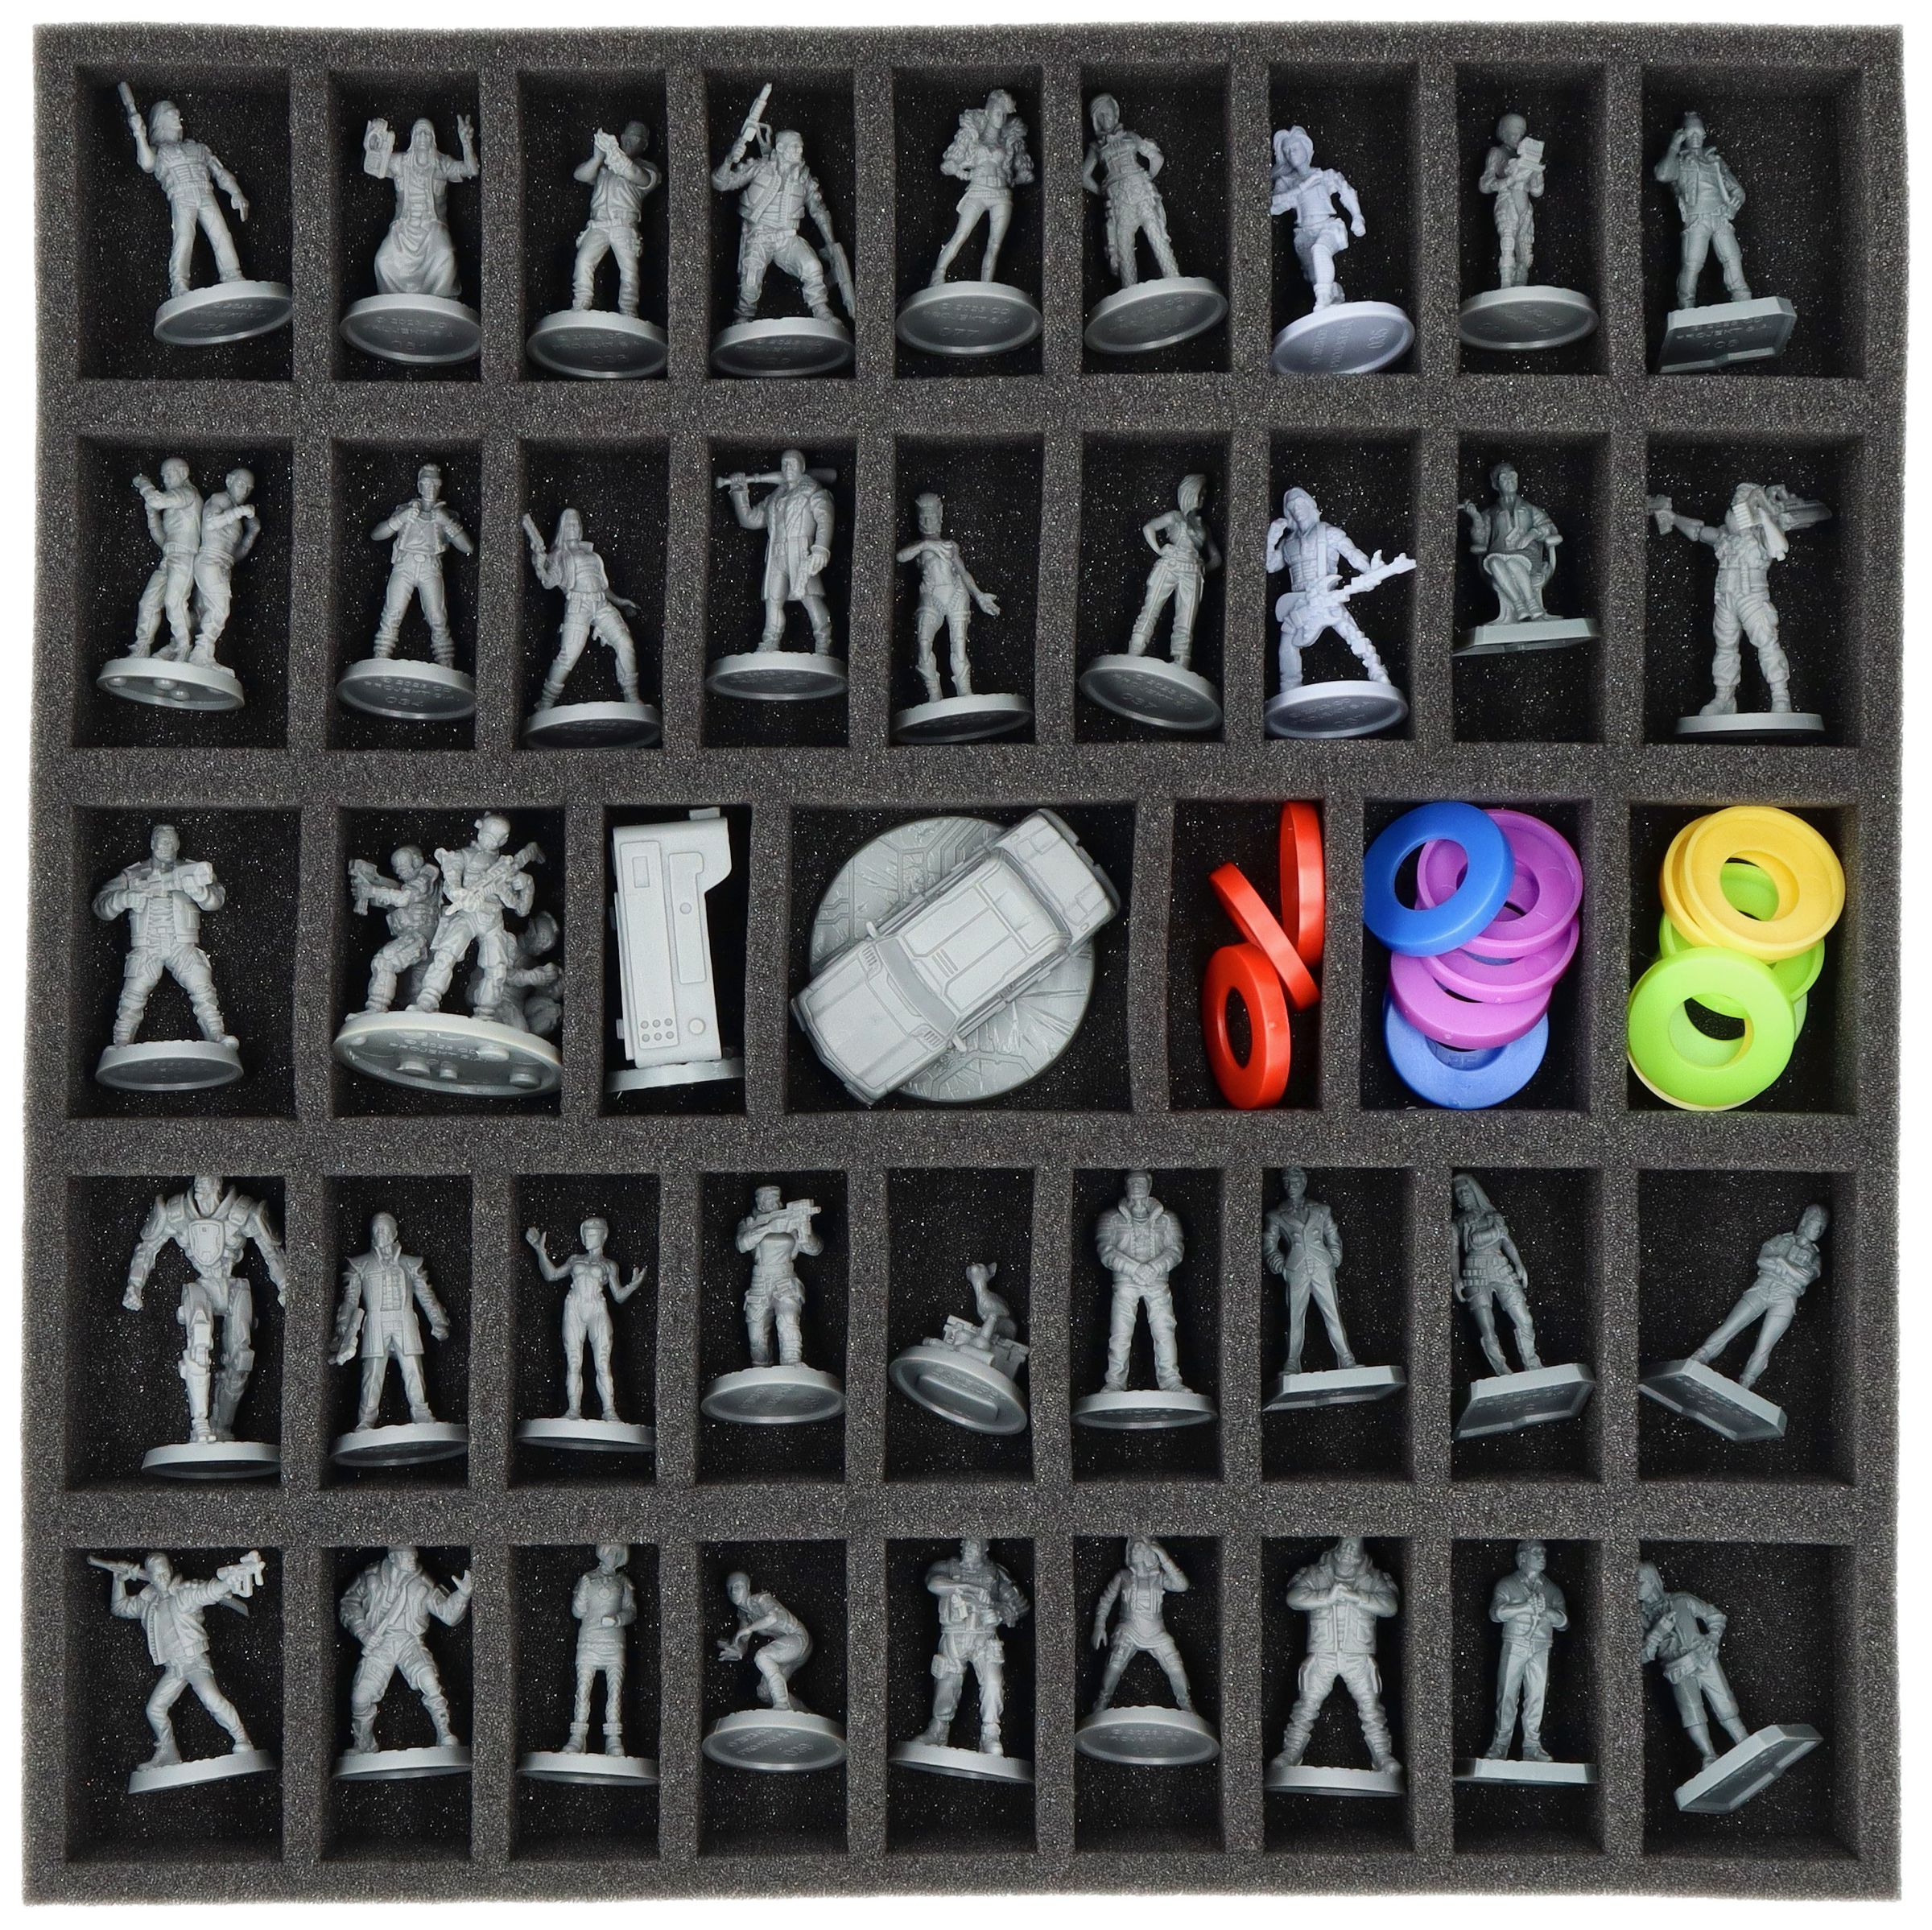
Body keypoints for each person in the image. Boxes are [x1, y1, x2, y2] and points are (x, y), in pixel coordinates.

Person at [123, 1175, 287, 1447]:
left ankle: (222, 1426)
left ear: (218, 1185)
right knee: (198, 1346)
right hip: (201, 1287)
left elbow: (272, 1252)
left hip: (232, 1286)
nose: (202, 1186)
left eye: (208, 1182)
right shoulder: (176, 1211)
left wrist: (284, 1285)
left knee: (241, 1358)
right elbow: (147, 1249)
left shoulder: (243, 1210)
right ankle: (200, 1423)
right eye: (199, 1181)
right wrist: (135, 1285)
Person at [102, 1549, 266, 1769]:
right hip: (173, 1669)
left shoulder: (184, 1594)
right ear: (150, 1576)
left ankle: (242, 1739)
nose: (161, 1579)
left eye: (164, 1573)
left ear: (170, 1571)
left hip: (194, 1662)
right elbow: (119, 1608)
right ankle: (169, 1753)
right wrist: (118, 1580)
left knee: (212, 1699)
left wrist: (228, 1582)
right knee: (155, 1709)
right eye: (156, 1575)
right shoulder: (148, 1603)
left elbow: (208, 1591)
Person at [1275, 1537, 1400, 1771]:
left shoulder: (1373, 1578)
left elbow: (1390, 1606)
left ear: (1361, 1558)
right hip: (1322, 1655)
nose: (1347, 1556)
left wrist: (1357, 1597)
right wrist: (1327, 1597)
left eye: (1353, 1552)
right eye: (1344, 1549)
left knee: (1371, 1708)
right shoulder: (1317, 1574)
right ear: (1335, 1550)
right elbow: (1294, 1598)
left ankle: (1383, 1756)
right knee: (1306, 1706)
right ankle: (1290, 1752)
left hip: (1358, 1657)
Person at [338, 1546, 472, 1753]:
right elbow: (348, 1603)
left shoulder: (422, 1582)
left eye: (414, 1554)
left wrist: (462, 1596)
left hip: (410, 1642)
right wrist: (362, 1631)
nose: (413, 1558)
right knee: (360, 1697)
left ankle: (444, 1732)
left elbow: (447, 1613)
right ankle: (364, 1743)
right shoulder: (370, 1576)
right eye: (407, 1554)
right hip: (379, 1644)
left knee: (429, 1681)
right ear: (393, 1557)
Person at [332, 1212, 451, 1431]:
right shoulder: (360, 1265)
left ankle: (421, 1413)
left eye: (385, 1229)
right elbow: (349, 1300)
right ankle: (366, 1421)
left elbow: (426, 1294)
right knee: (373, 1374)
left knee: (413, 1369)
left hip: (405, 1321)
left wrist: (438, 1321)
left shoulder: (410, 1264)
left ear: (395, 1233)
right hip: (376, 1323)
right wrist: (342, 1328)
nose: (381, 1233)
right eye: (377, 1229)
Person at [526, 1218, 646, 1422]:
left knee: (602, 1362)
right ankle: (573, 1409)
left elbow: (618, 1296)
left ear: (602, 1236)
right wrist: (540, 1251)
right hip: (574, 1307)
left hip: (597, 1308)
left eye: (591, 1234)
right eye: (585, 1234)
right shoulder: (575, 1259)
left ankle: (609, 1410)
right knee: (573, 1361)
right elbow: (551, 1275)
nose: (587, 1238)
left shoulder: (609, 1265)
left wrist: (632, 1286)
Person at [362, 114, 478, 301]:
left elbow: (471, 170)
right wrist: (374, 142)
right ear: (413, 137)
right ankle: (394, 303)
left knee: (445, 257)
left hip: (433, 230)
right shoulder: (400, 162)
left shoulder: (441, 164)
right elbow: (375, 165)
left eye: (426, 133)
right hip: (403, 230)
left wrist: (466, 143)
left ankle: (440, 304)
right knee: (383, 261)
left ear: (432, 138)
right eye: (418, 133)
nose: (422, 137)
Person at [368, 463, 473, 669]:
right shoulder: (405, 511)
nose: (430, 488)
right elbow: (377, 534)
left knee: (438, 618)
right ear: (419, 485)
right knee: (391, 614)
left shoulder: (446, 515)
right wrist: (399, 520)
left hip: (430, 569)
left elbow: (467, 547)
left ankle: (446, 667)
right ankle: (379, 660)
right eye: (426, 483)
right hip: (404, 565)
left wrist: (447, 523)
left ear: (440, 485)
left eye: (435, 483)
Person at [931, 90, 1034, 286]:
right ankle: (938, 274)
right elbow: (947, 166)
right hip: (977, 191)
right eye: (998, 113)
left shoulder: (1009, 142)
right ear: (987, 113)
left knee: (994, 245)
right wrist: (963, 173)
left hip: (1001, 194)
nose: (1001, 118)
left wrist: (1017, 179)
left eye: (1004, 114)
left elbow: (1025, 176)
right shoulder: (972, 137)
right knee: (961, 235)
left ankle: (986, 286)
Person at [1483, 1540, 1567, 1762]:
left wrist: (1548, 1612)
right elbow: (1496, 1613)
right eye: (1536, 1552)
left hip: (1541, 1646)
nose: (1542, 1556)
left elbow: (1564, 1622)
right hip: (1515, 1644)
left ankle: (1532, 1746)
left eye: (1543, 1552)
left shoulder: (1552, 1589)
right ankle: (1500, 1745)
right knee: (1507, 1695)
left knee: (1537, 1696)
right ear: (1522, 1557)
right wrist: (1525, 1607)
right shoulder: (1507, 1584)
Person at [570, 122, 659, 316]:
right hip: (598, 224)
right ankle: (581, 304)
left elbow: (633, 173)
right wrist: (597, 158)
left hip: (623, 226)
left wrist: (613, 151)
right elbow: (580, 175)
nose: (628, 141)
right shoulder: (605, 165)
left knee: (629, 271)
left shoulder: (648, 169)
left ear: (644, 144)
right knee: (583, 261)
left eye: (635, 138)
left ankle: (628, 310)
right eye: (626, 136)